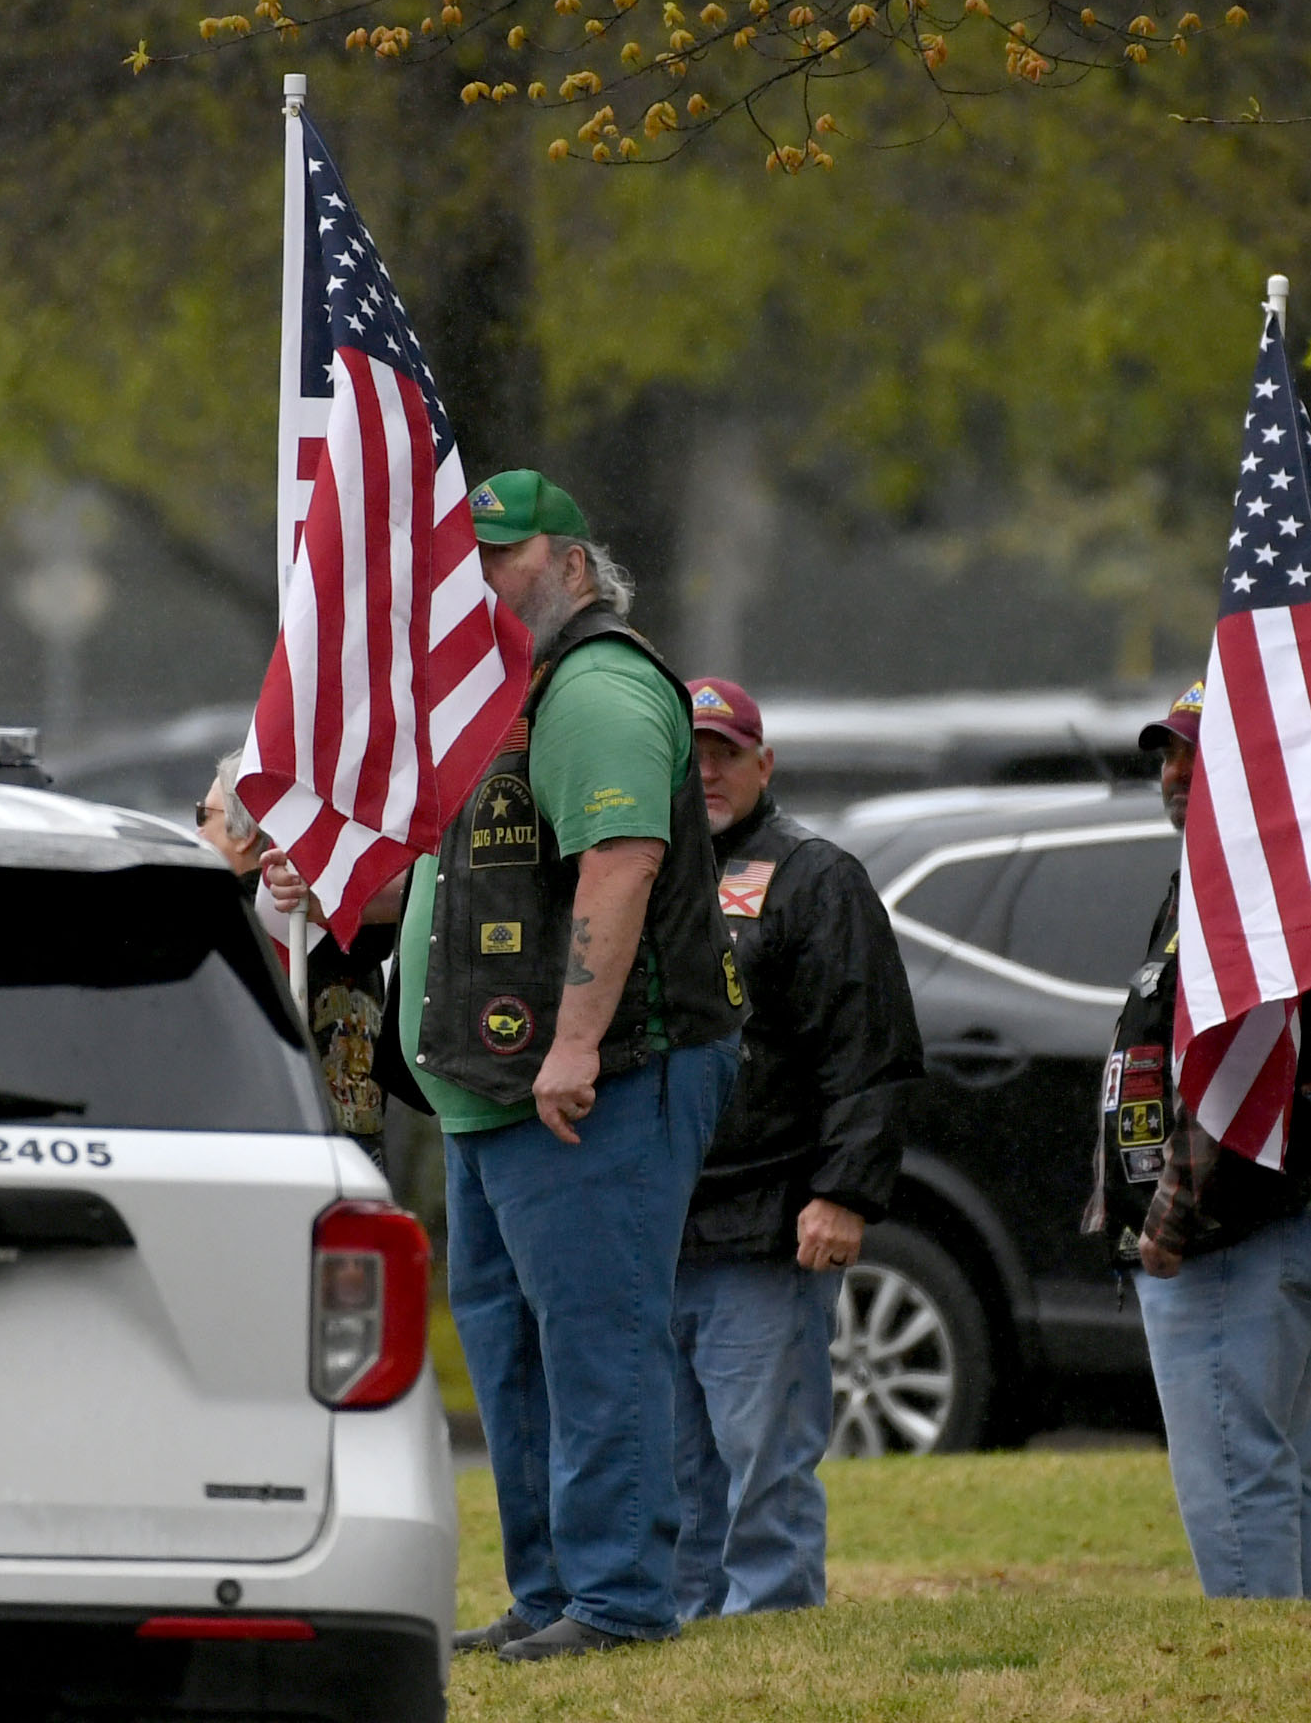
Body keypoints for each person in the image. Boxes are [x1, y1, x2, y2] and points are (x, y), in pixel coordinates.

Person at [278, 468, 745, 1662]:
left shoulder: (592, 688)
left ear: (572, 566)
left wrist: (575, 1043)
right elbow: (451, 877)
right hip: (491, 1091)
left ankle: (621, 1601)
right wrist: (332, 883)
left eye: (504, 555)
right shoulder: (492, 700)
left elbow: (622, 862)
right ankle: (550, 1594)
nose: (479, 580)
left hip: (596, 1079)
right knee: (511, 1346)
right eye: (466, 559)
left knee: (594, 1336)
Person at [1084, 680, 1311, 1600]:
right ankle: (1306, 1674)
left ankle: (1267, 1698)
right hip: (1296, 1224)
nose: (1172, 774)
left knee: (1235, 1474)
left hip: (1237, 1235)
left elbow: (1235, 1070)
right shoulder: (1256, 886)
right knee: (1279, 1470)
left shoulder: (1250, 897)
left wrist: (1166, 1224)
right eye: (1164, 755)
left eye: (1195, 754)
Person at [668, 679, 923, 1622]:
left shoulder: (817, 878)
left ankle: (767, 1630)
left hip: (769, 1229)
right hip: (660, 1225)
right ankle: (682, 1630)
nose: (705, 771)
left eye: (725, 753)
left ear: (763, 764)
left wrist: (843, 1193)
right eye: (688, 753)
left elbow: (872, 1052)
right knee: (672, 1468)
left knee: (760, 1467)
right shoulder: (635, 871)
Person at [211, 752, 394, 1161]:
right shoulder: (357, 922)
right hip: (357, 1155)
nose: (197, 833)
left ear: (243, 836)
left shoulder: (222, 933)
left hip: (267, 1151)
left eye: (203, 815)